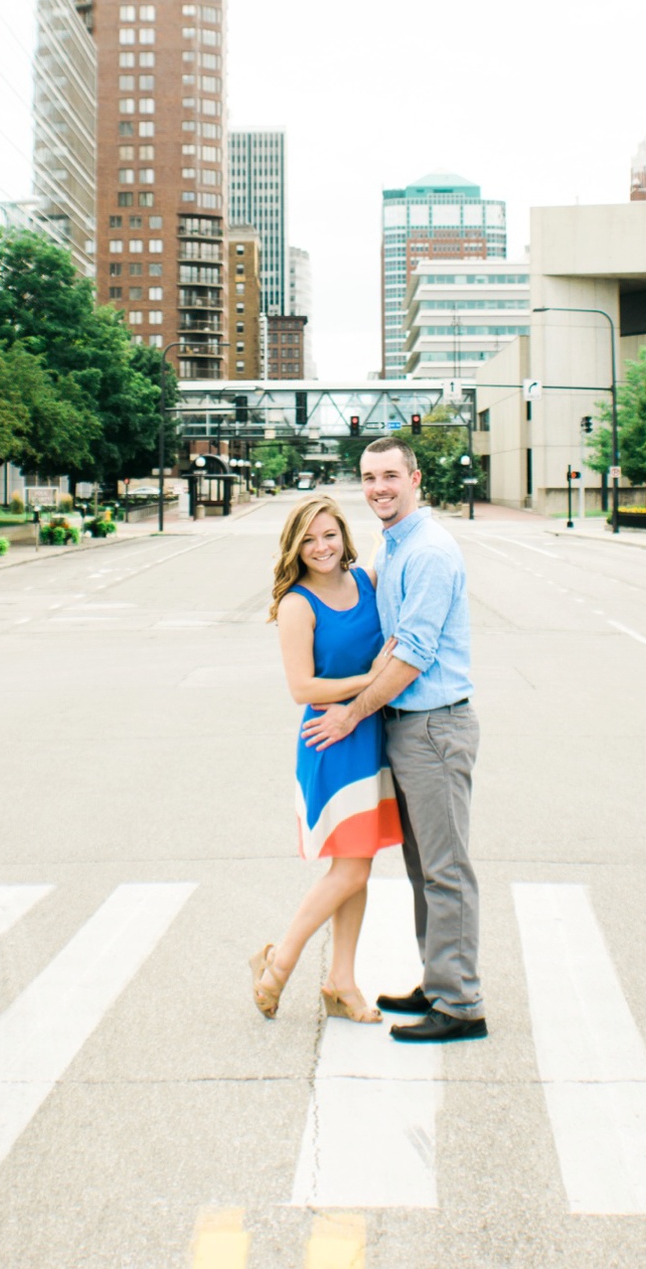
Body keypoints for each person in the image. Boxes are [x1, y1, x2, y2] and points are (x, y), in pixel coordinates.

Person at [301, 439, 485, 1042]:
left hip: (433, 726)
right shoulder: (396, 543)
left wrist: (350, 713)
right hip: (406, 729)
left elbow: (411, 656)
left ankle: (459, 1004)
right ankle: (437, 982)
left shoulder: (428, 551)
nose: (378, 487)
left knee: (445, 868)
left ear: (415, 478)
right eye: (368, 477)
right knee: (422, 866)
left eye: (389, 476)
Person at [251, 494, 402, 1022]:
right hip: (331, 739)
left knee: (356, 866)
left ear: (344, 536)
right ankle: (279, 962)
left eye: (329, 535)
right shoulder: (297, 603)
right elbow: (302, 687)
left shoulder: (367, 582)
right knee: (351, 869)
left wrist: (374, 688)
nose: (321, 547)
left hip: (371, 734)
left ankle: (341, 981)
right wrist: (374, 678)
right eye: (309, 539)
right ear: (296, 546)